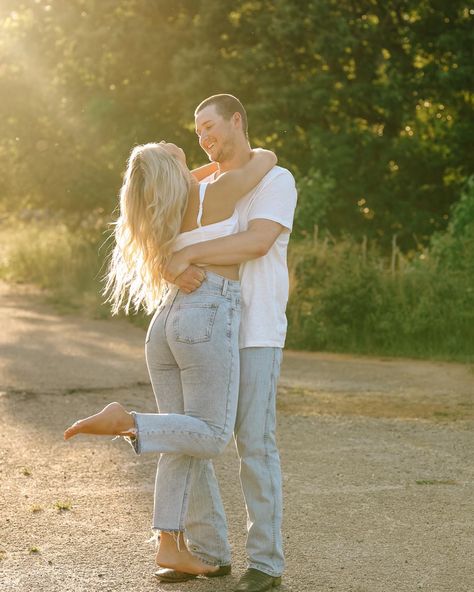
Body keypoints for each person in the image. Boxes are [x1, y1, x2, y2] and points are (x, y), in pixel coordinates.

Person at [63, 140, 277, 577]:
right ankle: (129, 422)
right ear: (172, 172)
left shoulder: (161, 203)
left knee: (181, 436)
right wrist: (235, 155)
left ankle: (177, 545)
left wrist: (171, 168)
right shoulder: (208, 193)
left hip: (167, 321)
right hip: (205, 314)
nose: (172, 142)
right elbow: (262, 160)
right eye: (166, 149)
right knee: (214, 434)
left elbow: (196, 173)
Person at [160, 94, 297, 592]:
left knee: (254, 446)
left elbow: (255, 242)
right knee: (193, 436)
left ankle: (266, 563)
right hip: (204, 329)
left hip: (255, 329)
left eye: (211, 125)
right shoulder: (206, 187)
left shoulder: (275, 180)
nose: (204, 136)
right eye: (197, 131)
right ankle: (211, 553)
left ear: (237, 120)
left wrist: (189, 254)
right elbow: (166, 237)